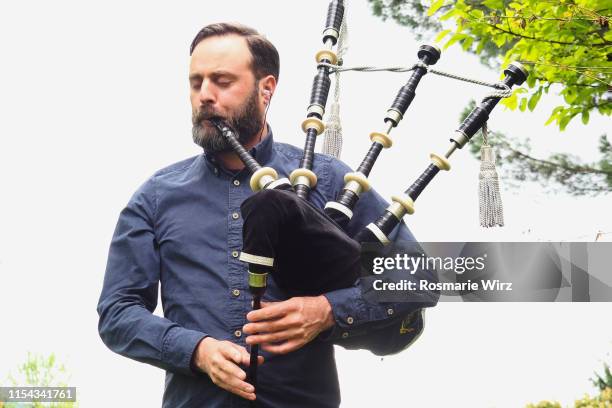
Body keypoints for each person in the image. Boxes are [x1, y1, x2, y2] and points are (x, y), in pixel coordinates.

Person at [97, 22, 438, 408]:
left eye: (222, 81)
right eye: (196, 83)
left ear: (267, 88)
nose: (205, 96)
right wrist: (196, 350)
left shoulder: (328, 179)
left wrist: (327, 310)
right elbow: (117, 313)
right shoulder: (156, 196)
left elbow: (417, 276)